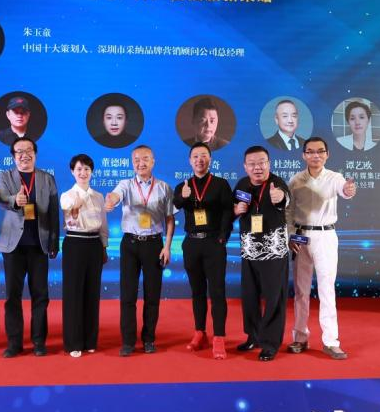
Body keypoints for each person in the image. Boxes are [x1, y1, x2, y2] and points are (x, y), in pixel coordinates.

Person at [288, 136, 357, 360]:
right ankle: (300, 337)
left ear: (327, 154)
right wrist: (291, 235)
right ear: (303, 155)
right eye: (310, 151)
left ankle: (331, 341)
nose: (315, 155)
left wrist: (348, 189)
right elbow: (288, 211)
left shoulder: (335, 178)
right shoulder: (295, 180)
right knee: (301, 290)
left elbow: (344, 190)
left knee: (327, 288)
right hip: (300, 236)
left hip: (325, 236)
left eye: (320, 151)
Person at [104, 144, 175, 356]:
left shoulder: (164, 187)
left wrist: (167, 247)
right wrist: (110, 200)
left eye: (145, 159)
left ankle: (149, 339)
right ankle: (127, 342)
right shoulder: (125, 184)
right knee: (128, 295)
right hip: (130, 244)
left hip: (154, 244)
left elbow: (169, 219)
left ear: (153, 161)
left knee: (152, 295)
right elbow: (115, 196)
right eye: (136, 159)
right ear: (131, 163)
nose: (140, 163)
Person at [0, 136, 59, 357]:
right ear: (13, 156)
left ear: (35, 153)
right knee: (13, 296)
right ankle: (14, 343)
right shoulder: (4, 176)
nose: (24, 155)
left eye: (28, 150)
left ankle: (39, 342)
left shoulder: (47, 178)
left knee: (40, 295)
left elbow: (53, 212)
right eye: (19, 152)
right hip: (13, 246)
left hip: (39, 245)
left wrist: (54, 241)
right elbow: (2, 199)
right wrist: (15, 200)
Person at [173, 142, 234, 359]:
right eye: (196, 156)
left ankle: (219, 337)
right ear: (190, 161)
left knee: (217, 292)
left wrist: (223, 237)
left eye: (204, 156)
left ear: (210, 160)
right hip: (191, 244)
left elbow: (228, 213)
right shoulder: (183, 185)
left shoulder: (220, 184)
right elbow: (174, 206)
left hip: (213, 244)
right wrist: (183, 196)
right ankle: (200, 332)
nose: (200, 160)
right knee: (197, 291)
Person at [233, 145, 291, 362]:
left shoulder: (277, 184)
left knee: (274, 298)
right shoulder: (241, 185)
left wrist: (280, 197)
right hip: (249, 251)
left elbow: (285, 199)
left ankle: (270, 343)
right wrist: (236, 210)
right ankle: (253, 336)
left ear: (269, 164)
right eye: (252, 164)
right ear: (245, 166)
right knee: (249, 297)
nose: (257, 167)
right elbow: (232, 209)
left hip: (273, 253)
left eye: (261, 163)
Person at [60, 153, 109, 357]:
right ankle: (74, 342)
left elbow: (103, 225)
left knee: (92, 292)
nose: (83, 173)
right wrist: (76, 207)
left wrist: (104, 247)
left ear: (92, 172)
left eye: (87, 169)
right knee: (73, 293)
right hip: (75, 243)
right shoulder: (67, 195)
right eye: (79, 169)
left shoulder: (98, 196)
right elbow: (70, 220)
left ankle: (90, 339)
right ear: (72, 171)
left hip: (94, 244)